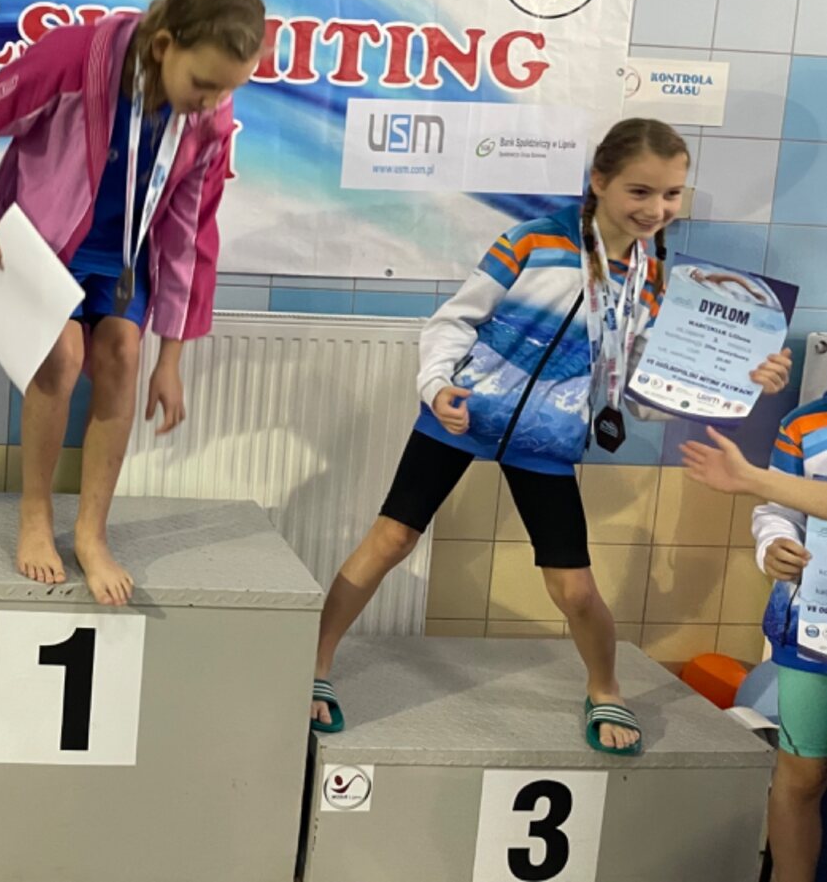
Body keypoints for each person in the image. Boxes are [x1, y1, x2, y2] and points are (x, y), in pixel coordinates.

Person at [307, 118, 792, 753]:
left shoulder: (651, 279)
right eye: (640, 191)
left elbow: (638, 393)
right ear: (600, 181)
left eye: (672, 194)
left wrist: (739, 383)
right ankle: (313, 666)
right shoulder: (533, 241)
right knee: (390, 539)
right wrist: (437, 386)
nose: (657, 209)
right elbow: (455, 321)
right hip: (463, 414)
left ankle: (605, 688)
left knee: (573, 587)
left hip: (547, 439)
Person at [0, 0, 265, 606]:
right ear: (164, 45)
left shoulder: (208, 120)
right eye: (204, 84)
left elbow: (191, 237)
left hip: (121, 258)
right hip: (47, 245)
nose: (212, 102)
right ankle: (34, 515)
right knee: (63, 356)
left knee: (122, 356)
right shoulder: (73, 58)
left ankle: (91, 533)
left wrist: (172, 359)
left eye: (228, 90)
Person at [684, 415, 827, 882]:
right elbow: (778, 512)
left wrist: (749, 477)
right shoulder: (804, 425)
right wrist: (775, 544)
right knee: (802, 776)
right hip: (810, 630)